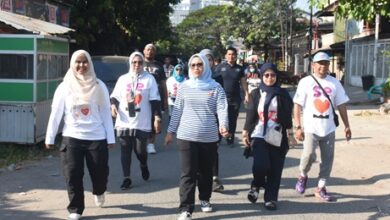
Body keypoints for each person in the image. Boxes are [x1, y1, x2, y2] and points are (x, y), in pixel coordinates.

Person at [45, 50, 115, 220]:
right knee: (72, 174)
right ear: (72, 64)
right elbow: (56, 113)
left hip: (96, 137)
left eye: (85, 62)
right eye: (78, 62)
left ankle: (99, 191)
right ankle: (75, 209)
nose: (81, 65)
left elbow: (105, 112)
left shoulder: (99, 85)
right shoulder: (64, 86)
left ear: (90, 64)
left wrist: (110, 137)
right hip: (72, 137)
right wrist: (50, 137)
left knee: (100, 173)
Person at [165, 53, 229, 220]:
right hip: (186, 136)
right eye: (193, 65)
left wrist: (223, 125)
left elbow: (222, 107)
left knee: (205, 172)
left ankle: (205, 199)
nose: (196, 68)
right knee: (188, 173)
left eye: (199, 65)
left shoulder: (215, 87)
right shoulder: (185, 87)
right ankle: (185, 209)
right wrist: (170, 132)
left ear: (205, 66)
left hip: (208, 137)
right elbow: (177, 110)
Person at [293, 51, 352, 202]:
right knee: (308, 156)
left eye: (325, 63)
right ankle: (303, 175)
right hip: (311, 127)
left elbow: (342, 105)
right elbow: (297, 106)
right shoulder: (305, 82)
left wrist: (347, 126)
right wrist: (298, 126)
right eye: (320, 63)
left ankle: (321, 187)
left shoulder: (335, 83)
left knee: (327, 159)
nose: (323, 66)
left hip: (329, 127)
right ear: (313, 65)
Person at [242, 63, 293, 210]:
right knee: (261, 165)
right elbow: (251, 114)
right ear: (261, 76)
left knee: (275, 169)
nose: (270, 78)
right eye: (266, 75)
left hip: (278, 135)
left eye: (272, 75)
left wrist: (290, 134)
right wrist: (245, 131)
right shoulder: (256, 93)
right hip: (259, 134)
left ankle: (270, 198)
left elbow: (287, 116)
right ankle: (256, 184)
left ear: (276, 77)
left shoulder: (282, 94)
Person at [110, 51, 162, 190]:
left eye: (139, 62)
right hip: (124, 119)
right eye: (134, 62)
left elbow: (155, 100)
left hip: (142, 120)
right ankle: (126, 178)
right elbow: (115, 96)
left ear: (143, 64)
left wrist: (157, 117)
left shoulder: (149, 79)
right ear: (130, 63)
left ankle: (143, 164)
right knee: (125, 149)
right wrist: (113, 105)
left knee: (140, 151)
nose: (137, 65)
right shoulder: (123, 79)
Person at [200, 48, 224, 192]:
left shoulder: (218, 78)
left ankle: (215, 178)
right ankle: (201, 175)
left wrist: (223, 121)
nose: (207, 62)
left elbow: (222, 101)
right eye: (204, 59)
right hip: (196, 120)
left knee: (213, 148)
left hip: (213, 118)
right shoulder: (192, 78)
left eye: (210, 59)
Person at [215, 47, 249, 145]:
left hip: (235, 98)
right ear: (226, 56)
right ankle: (219, 137)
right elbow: (214, 82)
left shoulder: (240, 69)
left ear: (236, 56)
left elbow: (243, 82)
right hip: (221, 98)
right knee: (219, 118)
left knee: (232, 118)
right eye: (229, 54)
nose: (231, 56)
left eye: (233, 54)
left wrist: (246, 94)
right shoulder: (220, 67)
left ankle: (230, 137)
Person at [143, 43, 167, 154]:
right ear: (144, 51)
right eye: (148, 49)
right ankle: (141, 142)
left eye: (152, 50)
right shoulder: (138, 63)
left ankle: (151, 144)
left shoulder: (159, 66)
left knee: (154, 119)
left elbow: (163, 83)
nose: (150, 51)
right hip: (141, 97)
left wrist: (165, 100)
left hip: (155, 97)